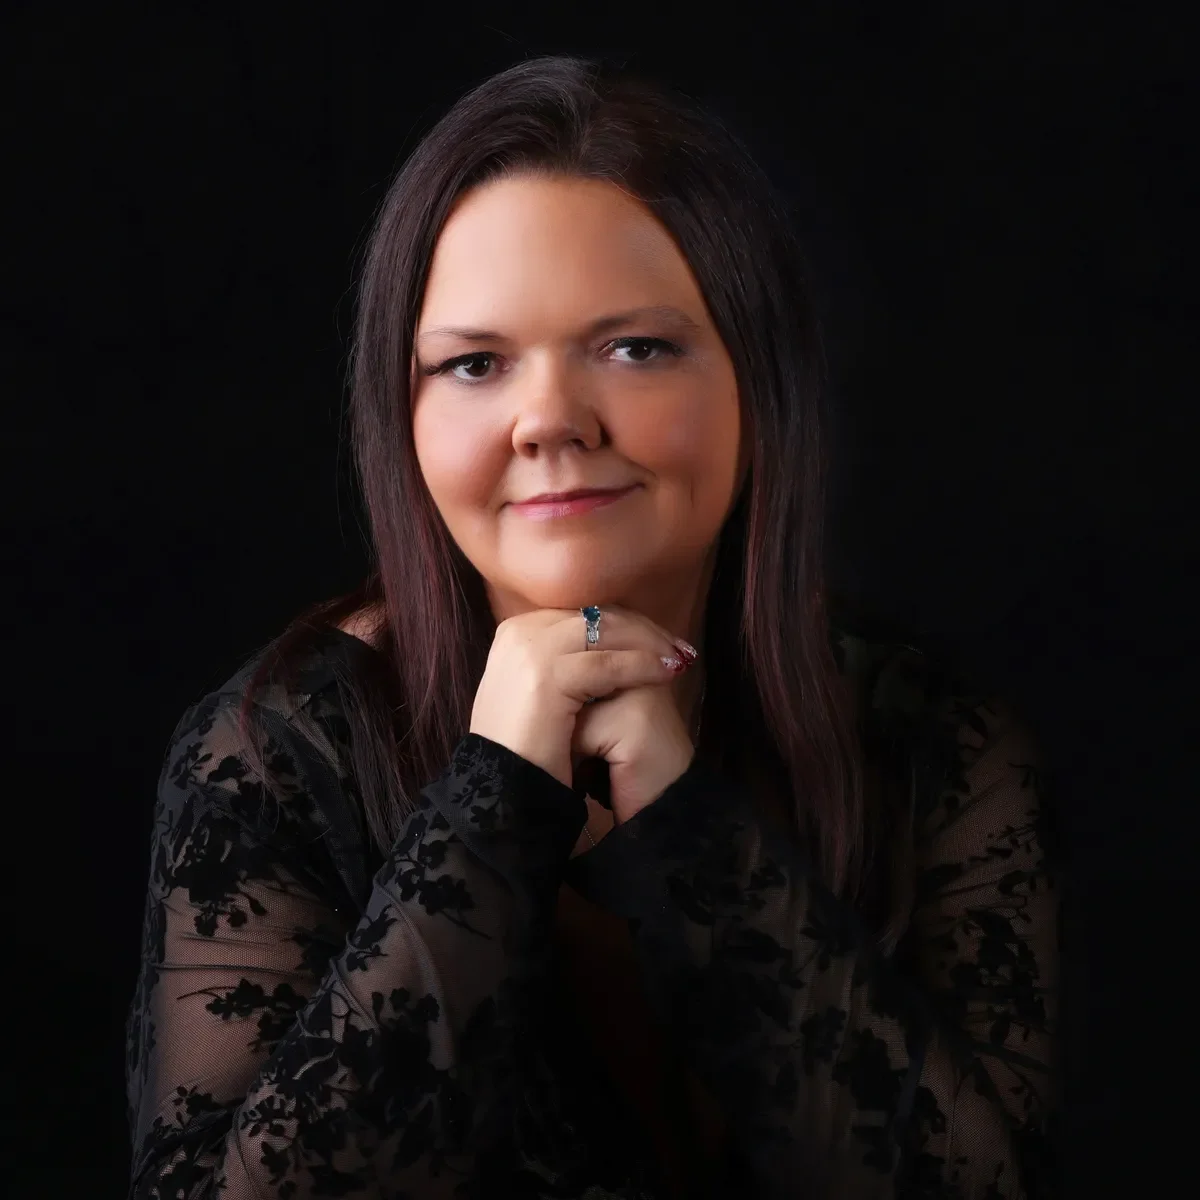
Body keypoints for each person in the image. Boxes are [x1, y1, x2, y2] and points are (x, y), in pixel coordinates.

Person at [124, 54, 1060, 1199]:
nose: (550, 421)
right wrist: (496, 799)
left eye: (634, 347)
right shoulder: (271, 752)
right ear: (401, 420)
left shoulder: (939, 742)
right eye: (473, 364)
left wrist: (685, 829)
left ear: (758, 387)